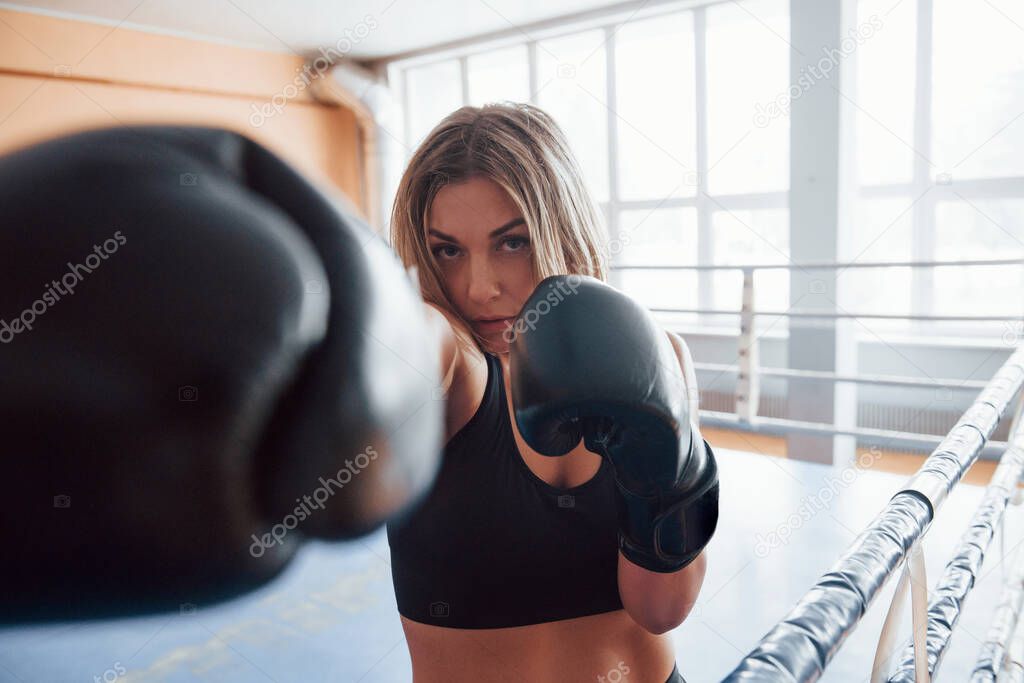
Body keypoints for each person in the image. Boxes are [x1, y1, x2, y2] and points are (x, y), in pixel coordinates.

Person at [386, 103, 718, 683]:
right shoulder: (448, 362)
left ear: (558, 226)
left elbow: (662, 611)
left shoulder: (658, 355)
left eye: (511, 242)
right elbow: (394, 346)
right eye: (448, 250)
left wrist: (665, 482)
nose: (481, 287)